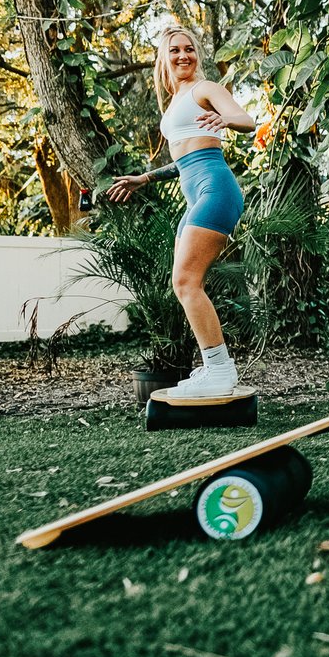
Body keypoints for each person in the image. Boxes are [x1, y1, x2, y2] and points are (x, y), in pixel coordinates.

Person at [104, 24, 256, 398]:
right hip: (197, 192)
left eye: (189, 49)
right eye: (175, 50)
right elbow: (186, 159)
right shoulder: (175, 103)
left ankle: (221, 369)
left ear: (196, 54)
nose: (183, 55)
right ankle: (213, 366)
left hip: (216, 189)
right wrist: (145, 177)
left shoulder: (205, 89)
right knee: (185, 282)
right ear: (164, 58)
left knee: (186, 281)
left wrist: (226, 120)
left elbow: (247, 121)